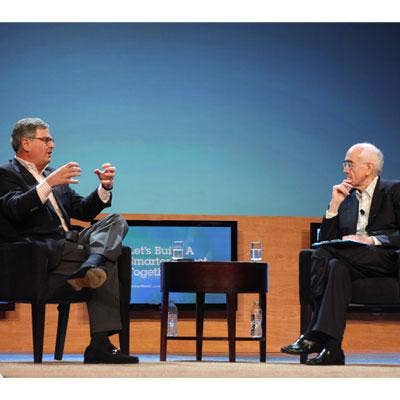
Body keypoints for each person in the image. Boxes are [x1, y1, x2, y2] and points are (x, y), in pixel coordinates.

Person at [0, 117, 139, 364]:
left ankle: (93, 262)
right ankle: (99, 344)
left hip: (73, 244)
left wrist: (104, 188)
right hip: (42, 252)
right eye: (46, 139)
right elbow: (15, 208)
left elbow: (83, 210)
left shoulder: (53, 176)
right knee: (111, 259)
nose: (52, 144)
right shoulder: (7, 173)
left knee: (116, 220)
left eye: (52, 139)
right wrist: (47, 184)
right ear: (26, 143)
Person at [281, 142, 400, 365]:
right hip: (353, 263)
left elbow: (326, 248)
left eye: (349, 164)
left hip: (388, 258)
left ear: (368, 168)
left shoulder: (394, 191)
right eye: (345, 164)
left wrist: (371, 240)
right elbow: (327, 241)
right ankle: (332, 350)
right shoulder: (347, 199)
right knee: (336, 267)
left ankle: (313, 334)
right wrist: (334, 206)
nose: (345, 169)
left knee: (325, 253)